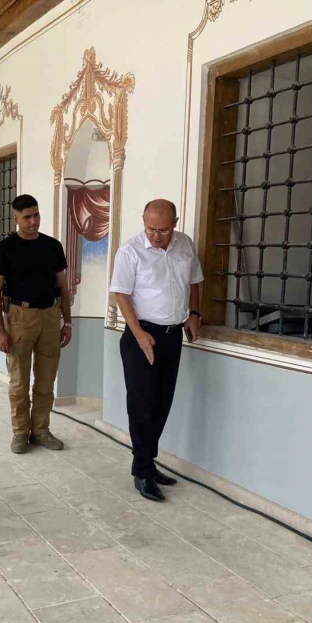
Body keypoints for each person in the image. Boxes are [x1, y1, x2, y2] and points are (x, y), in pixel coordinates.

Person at [110, 199, 203, 503]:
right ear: (143, 221)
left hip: (172, 336)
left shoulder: (184, 245)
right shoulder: (130, 251)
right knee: (143, 404)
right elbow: (120, 294)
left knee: (162, 402)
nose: (156, 235)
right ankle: (142, 471)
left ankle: (148, 463)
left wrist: (194, 314)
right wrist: (139, 334)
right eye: (151, 229)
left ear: (174, 223)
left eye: (163, 230)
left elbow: (194, 281)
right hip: (142, 335)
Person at [0, 194, 72, 454]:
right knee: (19, 382)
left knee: (46, 381)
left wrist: (67, 322)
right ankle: (20, 432)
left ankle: (41, 431)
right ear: (16, 218)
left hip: (50, 316)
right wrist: (0, 330)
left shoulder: (53, 246)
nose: (33, 221)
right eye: (27, 217)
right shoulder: (4, 249)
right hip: (19, 318)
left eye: (36, 215)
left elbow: (63, 286)